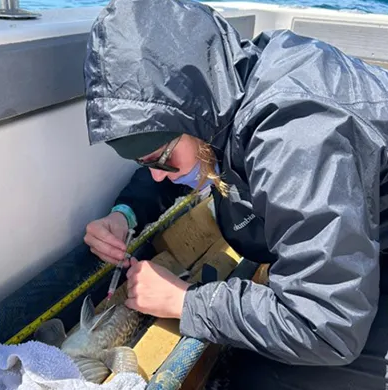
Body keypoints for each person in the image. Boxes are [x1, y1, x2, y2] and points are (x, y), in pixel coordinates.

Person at [82, 0, 388, 388]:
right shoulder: (230, 88)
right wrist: (125, 214)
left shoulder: (296, 136)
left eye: (161, 160)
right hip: (360, 250)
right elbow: (184, 156)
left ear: (196, 114)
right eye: (147, 165)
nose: (160, 177)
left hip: (350, 295)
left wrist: (185, 302)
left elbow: (326, 325)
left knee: (257, 379)